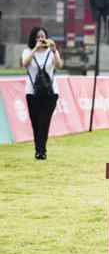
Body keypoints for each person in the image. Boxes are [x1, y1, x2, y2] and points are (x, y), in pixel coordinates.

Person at [21, 27, 64, 160]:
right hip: (32, 92)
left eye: (43, 36)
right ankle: (38, 150)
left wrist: (54, 50)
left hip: (50, 93)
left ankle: (41, 151)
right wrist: (35, 49)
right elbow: (24, 63)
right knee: (36, 123)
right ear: (33, 38)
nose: (41, 39)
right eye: (38, 37)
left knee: (44, 121)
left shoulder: (51, 52)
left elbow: (59, 65)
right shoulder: (27, 51)